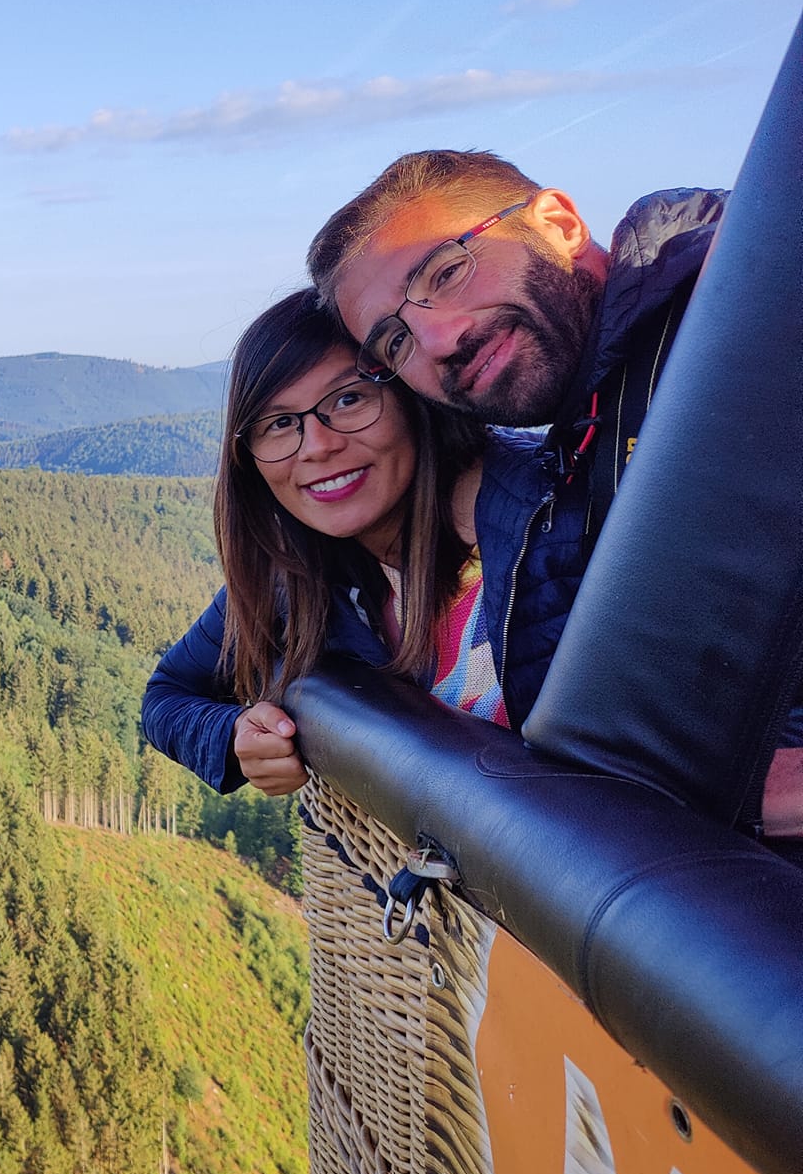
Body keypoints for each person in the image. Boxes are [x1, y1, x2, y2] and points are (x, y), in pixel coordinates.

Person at [307, 150, 803, 834]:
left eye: (447, 272)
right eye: (395, 342)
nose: (438, 339)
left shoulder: (737, 292)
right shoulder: (578, 441)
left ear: (560, 224)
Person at [141, 289, 539, 796]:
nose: (319, 445)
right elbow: (167, 696)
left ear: (411, 398)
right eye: (280, 423)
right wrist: (236, 735)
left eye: (348, 399)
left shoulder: (548, 530)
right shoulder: (298, 571)